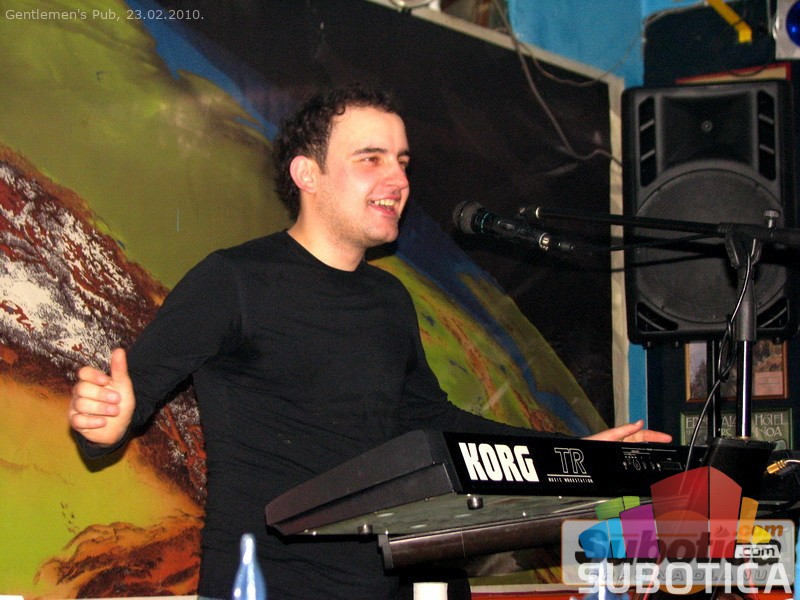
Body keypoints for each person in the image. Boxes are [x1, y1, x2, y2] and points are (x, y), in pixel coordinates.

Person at [68, 84, 671, 600]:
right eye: (371, 158)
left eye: (402, 161)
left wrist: (573, 455)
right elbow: (126, 400)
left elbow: (434, 423)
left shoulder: (389, 299)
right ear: (307, 174)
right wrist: (105, 423)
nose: (398, 179)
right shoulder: (235, 280)